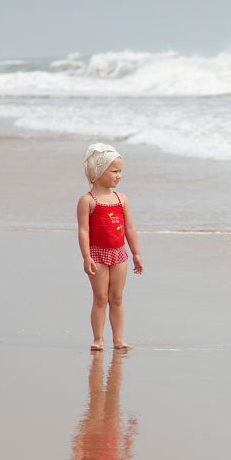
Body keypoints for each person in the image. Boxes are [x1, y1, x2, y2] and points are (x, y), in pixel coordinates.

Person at [77, 143, 143, 351]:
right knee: (100, 298)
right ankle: (99, 339)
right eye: (114, 171)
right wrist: (86, 257)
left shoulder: (121, 199)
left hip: (119, 254)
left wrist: (136, 254)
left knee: (116, 298)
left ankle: (118, 339)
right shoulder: (88, 200)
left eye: (120, 171)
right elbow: (83, 231)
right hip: (97, 255)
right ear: (98, 171)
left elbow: (130, 228)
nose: (119, 176)